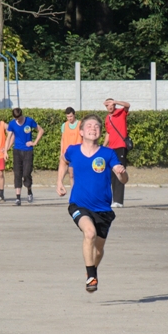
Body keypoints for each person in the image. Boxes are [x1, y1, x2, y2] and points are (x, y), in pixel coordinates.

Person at [57, 114, 128, 292]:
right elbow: (63, 161)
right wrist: (59, 182)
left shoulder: (107, 153)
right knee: (89, 233)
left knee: (97, 251)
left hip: (103, 209)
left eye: (96, 126)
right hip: (79, 204)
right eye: (89, 126)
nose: (93, 128)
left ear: (100, 132)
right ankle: (91, 276)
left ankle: (92, 270)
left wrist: (122, 173)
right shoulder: (73, 150)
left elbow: (123, 179)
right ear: (81, 132)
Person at [5, 107, 44, 205]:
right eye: (16, 119)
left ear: (21, 115)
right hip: (17, 150)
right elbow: (8, 137)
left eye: (19, 118)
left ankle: (29, 190)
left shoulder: (29, 121)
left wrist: (35, 142)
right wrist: (5, 151)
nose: (18, 120)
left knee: (26, 173)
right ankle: (18, 197)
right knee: (17, 173)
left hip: (28, 151)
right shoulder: (12, 124)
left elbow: (41, 130)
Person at [102, 98, 130, 208]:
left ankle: (119, 201)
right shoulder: (107, 118)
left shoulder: (121, 112)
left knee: (120, 172)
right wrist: (103, 146)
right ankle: (112, 200)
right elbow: (108, 133)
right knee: (111, 174)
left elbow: (127, 105)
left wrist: (116, 102)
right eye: (107, 105)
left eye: (111, 104)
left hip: (120, 147)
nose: (110, 107)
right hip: (111, 149)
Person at [59, 107, 82, 187]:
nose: (69, 118)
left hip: (78, 153)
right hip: (67, 153)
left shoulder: (80, 124)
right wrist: (61, 152)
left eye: (71, 116)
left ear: (74, 115)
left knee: (75, 174)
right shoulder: (64, 125)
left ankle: (78, 190)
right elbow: (62, 139)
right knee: (70, 174)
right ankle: (73, 191)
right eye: (68, 117)